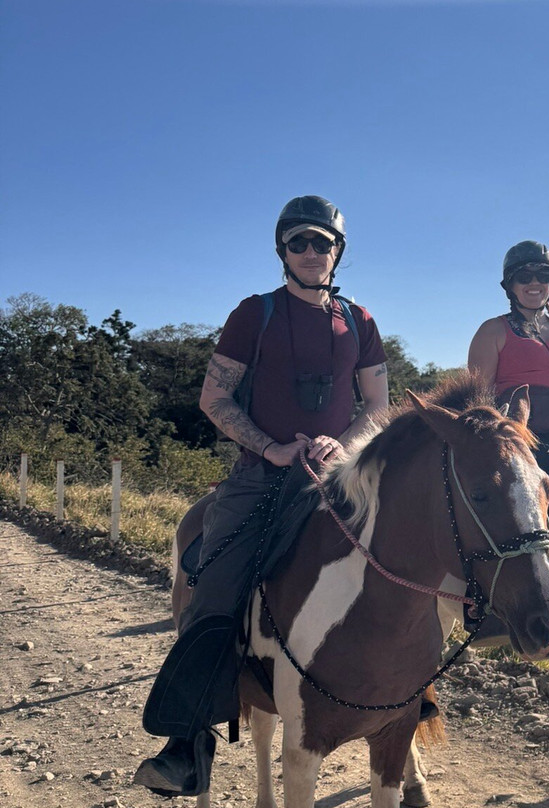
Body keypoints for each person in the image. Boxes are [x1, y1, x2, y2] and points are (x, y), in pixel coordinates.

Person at [134, 195, 389, 796]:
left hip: (336, 476)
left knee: (408, 560)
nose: (310, 252)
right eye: (298, 241)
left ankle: (413, 697)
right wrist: (270, 447)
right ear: (282, 249)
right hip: (260, 475)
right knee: (215, 586)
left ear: (338, 253)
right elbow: (214, 398)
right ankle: (189, 740)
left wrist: (339, 444)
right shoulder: (256, 313)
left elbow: (377, 407)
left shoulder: (360, 321)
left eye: (321, 243)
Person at [468, 240, 549, 522]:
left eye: (542, 276)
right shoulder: (493, 330)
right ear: (510, 285)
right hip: (519, 441)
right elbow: (479, 397)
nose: (534, 283)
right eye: (524, 277)